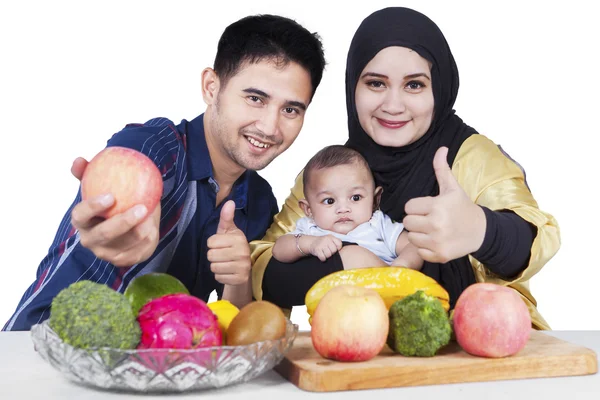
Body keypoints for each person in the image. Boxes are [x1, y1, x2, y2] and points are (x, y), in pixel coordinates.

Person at [3, 14, 326, 331]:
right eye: (255, 98)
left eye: (290, 110)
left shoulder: (258, 201)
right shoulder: (154, 150)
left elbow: (239, 327)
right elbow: (117, 201)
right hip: (36, 351)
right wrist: (121, 233)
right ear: (211, 87)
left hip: (145, 371)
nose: (270, 126)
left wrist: (239, 279)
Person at [249, 7, 560, 330]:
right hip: (365, 353)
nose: (393, 105)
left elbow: (536, 242)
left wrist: (481, 230)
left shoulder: (471, 155)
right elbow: (265, 270)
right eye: (375, 83)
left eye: (414, 85)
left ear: (439, 87)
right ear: (352, 86)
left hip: (489, 348)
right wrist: (347, 261)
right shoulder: (331, 172)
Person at [272, 145, 423, 270]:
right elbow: (278, 250)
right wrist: (310, 244)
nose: (343, 208)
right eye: (329, 201)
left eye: (355, 198)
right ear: (308, 210)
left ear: (375, 200)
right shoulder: (311, 229)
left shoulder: (378, 224)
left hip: (384, 296)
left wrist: (402, 265)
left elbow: (413, 246)